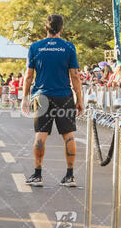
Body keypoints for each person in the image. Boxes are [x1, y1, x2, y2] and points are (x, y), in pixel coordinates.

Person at [21, 14, 84, 187]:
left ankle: (37, 174)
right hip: (64, 95)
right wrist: (80, 99)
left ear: (46, 28)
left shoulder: (35, 47)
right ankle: (70, 176)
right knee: (69, 135)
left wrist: (24, 98)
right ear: (61, 28)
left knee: (40, 135)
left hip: (42, 96)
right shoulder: (69, 47)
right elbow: (75, 76)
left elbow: (28, 76)